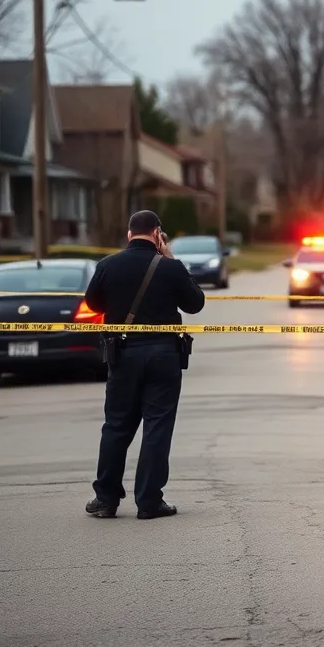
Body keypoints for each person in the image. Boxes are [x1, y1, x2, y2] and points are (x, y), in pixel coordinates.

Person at [82, 210, 206, 520]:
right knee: (157, 426)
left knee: (116, 425)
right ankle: (149, 500)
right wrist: (171, 258)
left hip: (122, 354)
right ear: (157, 234)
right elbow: (195, 304)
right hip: (163, 356)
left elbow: (93, 303)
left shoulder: (108, 266)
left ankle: (106, 498)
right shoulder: (170, 267)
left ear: (129, 235)